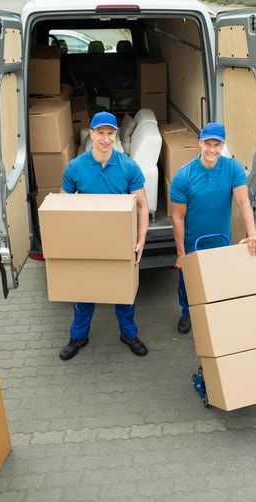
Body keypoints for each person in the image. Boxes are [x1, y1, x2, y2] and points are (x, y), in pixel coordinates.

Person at [59, 111, 149, 360]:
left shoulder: (129, 167)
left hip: (121, 241)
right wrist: (66, 245)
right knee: (84, 292)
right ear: (92, 134)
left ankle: (128, 334)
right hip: (87, 242)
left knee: (124, 293)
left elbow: (142, 205)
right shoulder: (76, 167)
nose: (105, 138)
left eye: (110, 133)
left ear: (116, 135)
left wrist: (141, 241)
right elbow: (62, 209)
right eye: (101, 133)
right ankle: (78, 336)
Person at [170, 121, 256, 334]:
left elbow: (243, 203)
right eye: (207, 144)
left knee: (219, 282)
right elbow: (178, 217)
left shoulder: (233, 169)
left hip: (221, 240)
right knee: (188, 283)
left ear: (223, 145)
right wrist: (181, 253)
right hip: (193, 242)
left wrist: (252, 234)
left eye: (217, 145)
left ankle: (215, 313)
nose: (212, 150)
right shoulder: (184, 176)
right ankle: (186, 313)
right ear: (200, 143)